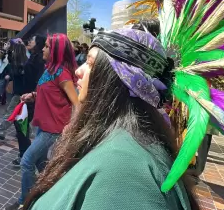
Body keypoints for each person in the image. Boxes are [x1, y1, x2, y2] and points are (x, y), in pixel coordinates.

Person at [17, 29, 197, 210]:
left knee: (27, 161)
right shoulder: (119, 140)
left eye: (90, 63)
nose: (79, 71)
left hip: (52, 128)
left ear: (121, 78)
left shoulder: (125, 171)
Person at [6, 33, 79, 210]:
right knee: (41, 164)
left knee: (27, 161)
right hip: (43, 124)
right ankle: (51, 193)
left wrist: (73, 126)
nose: (43, 49)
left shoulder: (62, 73)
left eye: (47, 46)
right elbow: (50, 92)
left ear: (55, 50)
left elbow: (77, 103)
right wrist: (33, 95)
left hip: (54, 127)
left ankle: (25, 202)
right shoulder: (50, 69)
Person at [12, 34, 46, 166]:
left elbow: (38, 79)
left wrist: (33, 94)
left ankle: (26, 155)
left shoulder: (40, 60)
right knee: (20, 123)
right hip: (26, 94)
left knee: (20, 123)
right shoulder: (32, 56)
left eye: (32, 40)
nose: (30, 41)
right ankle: (26, 153)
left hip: (32, 97)